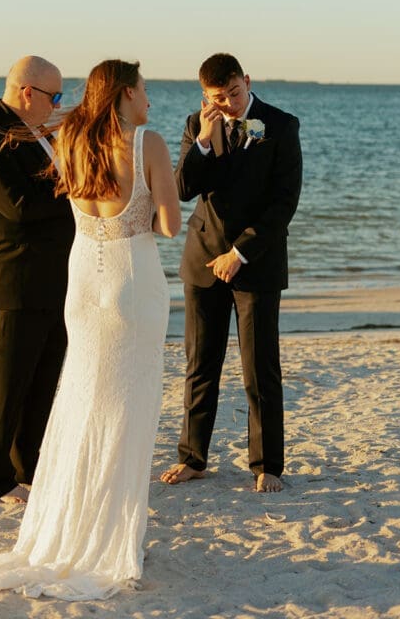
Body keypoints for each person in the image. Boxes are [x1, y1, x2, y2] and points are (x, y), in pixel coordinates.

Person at [0, 60, 181, 600]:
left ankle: (65, 529)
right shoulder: (149, 143)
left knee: (80, 402)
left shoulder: (70, 141)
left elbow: (66, 176)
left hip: (83, 282)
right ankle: (109, 539)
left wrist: (74, 115)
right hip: (131, 282)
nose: (150, 100)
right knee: (127, 411)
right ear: (125, 93)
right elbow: (168, 225)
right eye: (144, 90)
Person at [160, 53, 302, 493]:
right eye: (218, 98)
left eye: (235, 93)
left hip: (256, 262)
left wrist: (240, 253)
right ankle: (193, 458)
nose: (229, 104)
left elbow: (284, 202)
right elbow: (183, 189)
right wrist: (203, 141)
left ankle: (267, 465)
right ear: (205, 96)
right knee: (200, 365)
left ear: (247, 81)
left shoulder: (281, 125)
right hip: (203, 259)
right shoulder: (195, 125)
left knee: (260, 368)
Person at [0, 55, 74, 504]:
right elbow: (18, 208)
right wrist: (78, 193)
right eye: (55, 96)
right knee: (6, 389)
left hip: (56, 280)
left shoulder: (42, 133)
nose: (58, 105)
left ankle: (27, 468)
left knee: (42, 384)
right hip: (13, 283)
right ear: (28, 92)